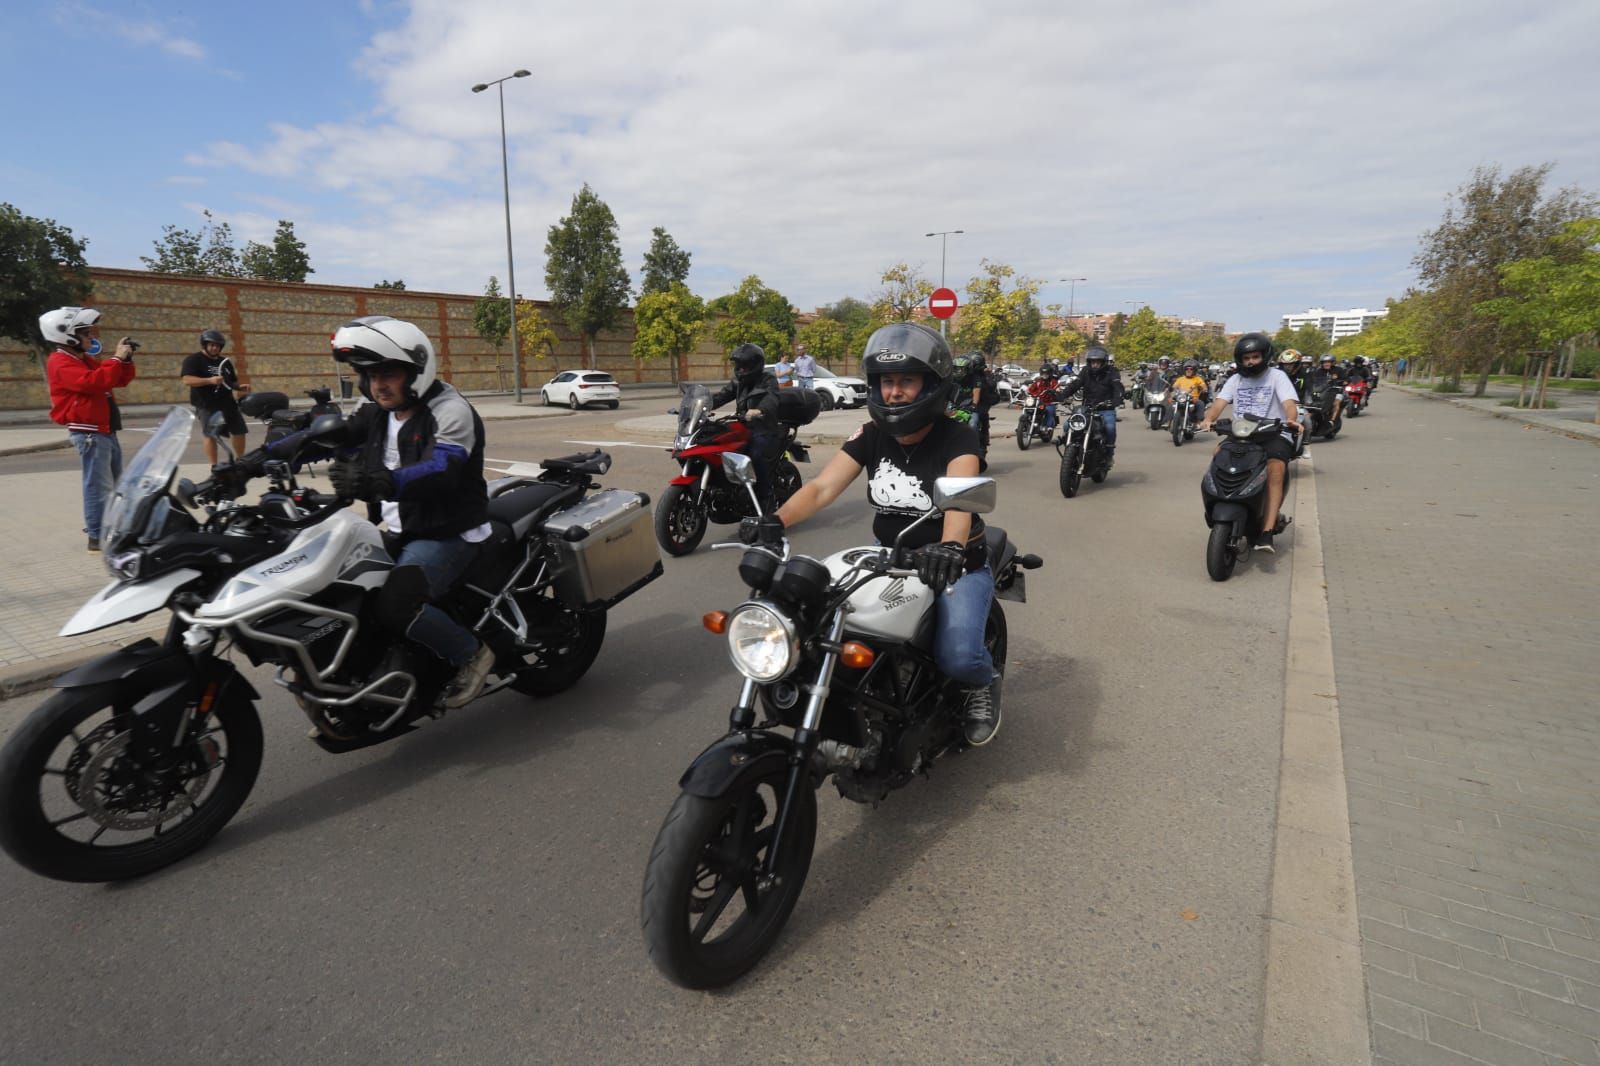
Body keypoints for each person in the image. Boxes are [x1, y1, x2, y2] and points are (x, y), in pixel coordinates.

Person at [746, 322, 1001, 745]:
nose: (894, 392)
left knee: (957, 657)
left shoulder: (959, 436)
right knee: (826, 627)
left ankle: (984, 682)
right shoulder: (871, 435)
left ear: (931, 385)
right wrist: (776, 520)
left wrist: (951, 546)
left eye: (906, 381)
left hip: (954, 566)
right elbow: (821, 488)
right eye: (886, 382)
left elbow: (958, 501)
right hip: (890, 558)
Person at [262, 316, 494, 709]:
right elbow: (332, 436)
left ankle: (471, 654)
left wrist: (382, 483)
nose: (377, 385)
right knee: (339, 588)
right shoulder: (377, 410)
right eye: (368, 375)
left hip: (447, 531)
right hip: (399, 527)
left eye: (388, 373)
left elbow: (443, 468)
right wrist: (257, 460)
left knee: (396, 605)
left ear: (416, 370)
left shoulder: (450, 410)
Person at [41, 307, 137, 552]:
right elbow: (93, 382)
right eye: (85, 333)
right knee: (98, 486)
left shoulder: (81, 359)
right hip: (90, 432)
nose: (91, 338)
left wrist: (124, 361)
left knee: (116, 485)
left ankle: (115, 530)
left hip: (105, 430)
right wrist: (115, 359)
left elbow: (115, 379)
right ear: (67, 335)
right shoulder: (60, 361)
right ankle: (96, 535)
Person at [1197, 333, 1301, 553]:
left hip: (1273, 432)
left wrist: (1291, 419)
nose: (1251, 361)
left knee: (1276, 467)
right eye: (1246, 358)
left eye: (1255, 356)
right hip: (1242, 432)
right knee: (1218, 453)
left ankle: (1267, 530)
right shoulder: (1236, 379)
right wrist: (1208, 419)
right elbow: (1218, 404)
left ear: (1264, 356)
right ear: (1240, 360)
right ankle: (1218, 504)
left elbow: (1289, 403)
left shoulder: (1277, 376)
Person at [710, 343, 783, 510]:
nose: (741, 369)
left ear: (755, 365)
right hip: (743, 426)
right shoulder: (738, 382)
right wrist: (700, 406)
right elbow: (721, 396)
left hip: (763, 428)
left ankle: (766, 498)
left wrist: (759, 410)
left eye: (745, 366)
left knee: (754, 455)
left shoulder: (768, 379)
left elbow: (772, 398)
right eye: (738, 365)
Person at [180, 329, 252, 465]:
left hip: (228, 403)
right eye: (211, 345)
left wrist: (238, 387)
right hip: (207, 404)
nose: (214, 348)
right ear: (205, 345)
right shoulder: (194, 360)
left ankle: (240, 461)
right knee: (211, 435)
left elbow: (229, 380)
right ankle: (214, 466)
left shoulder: (225, 362)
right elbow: (187, 380)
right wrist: (209, 381)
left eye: (217, 345)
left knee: (239, 431)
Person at [1055, 345, 1124, 454]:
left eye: (1098, 362)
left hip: (1106, 408)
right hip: (1087, 408)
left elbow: (1117, 386)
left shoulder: (1112, 371)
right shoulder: (1085, 371)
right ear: (1089, 362)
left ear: (1103, 362)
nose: (1095, 364)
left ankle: (1109, 453)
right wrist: (1062, 395)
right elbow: (1075, 384)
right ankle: (1070, 448)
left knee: (1110, 428)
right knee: (1067, 425)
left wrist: (1117, 399)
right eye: (1093, 362)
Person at [1026, 360, 1062, 437]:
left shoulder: (1053, 382)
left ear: (1050, 373)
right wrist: (1027, 391)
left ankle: (1048, 427)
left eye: (1046, 374)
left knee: (1049, 411)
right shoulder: (1038, 381)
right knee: (1027, 408)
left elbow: (1057, 388)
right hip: (1037, 401)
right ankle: (1024, 424)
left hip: (1049, 402)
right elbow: (1031, 389)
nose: (1044, 375)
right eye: (1043, 374)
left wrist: (1056, 391)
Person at [1308, 354, 1347, 422]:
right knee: (1311, 403)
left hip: (1336, 391)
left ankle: (1332, 420)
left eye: (1328, 362)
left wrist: (1343, 382)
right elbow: (1313, 380)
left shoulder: (1339, 370)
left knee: (1336, 403)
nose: (1326, 364)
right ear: (1322, 363)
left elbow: (1346, 380)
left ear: (1332, 362)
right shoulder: (1318, 371)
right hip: (1322, 391)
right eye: (1324, 362)